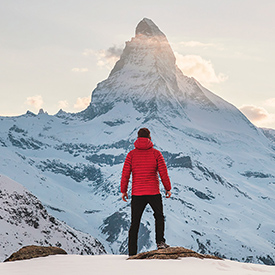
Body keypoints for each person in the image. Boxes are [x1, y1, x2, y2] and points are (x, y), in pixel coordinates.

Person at [120, 128, 172, 256]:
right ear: (149, 137)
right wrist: (168, 188)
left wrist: (124, 191)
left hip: (137, 194)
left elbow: (125, 174)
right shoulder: (156, 153)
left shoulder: (131, 154)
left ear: (137, 138)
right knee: (159, 216)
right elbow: (163, 173)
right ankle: (160, 242)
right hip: (153, 192)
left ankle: (132, 252)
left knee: (135, 222)